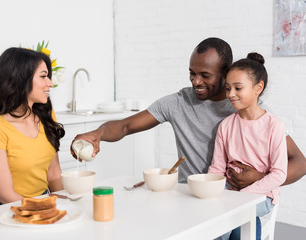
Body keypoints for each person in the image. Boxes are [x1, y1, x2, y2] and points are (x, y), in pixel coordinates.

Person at [71, 37, 306, 188]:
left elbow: (300, 163)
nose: (196, 81)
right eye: (192, 73)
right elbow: (125, 126)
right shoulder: (177, 102)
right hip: (188, 197)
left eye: (205, 75)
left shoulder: (250, 111)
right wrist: (98, 133)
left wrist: (260, 179)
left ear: (226, 73)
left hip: (236, 196)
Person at [208, 52, 287, 240]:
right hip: (229, 190)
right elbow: (217, 168)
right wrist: (210, 191)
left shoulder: (274, 126)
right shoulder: (226, 125)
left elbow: (279, 174)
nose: (230, 94)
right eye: (228, 88)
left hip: (262, 194)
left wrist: (242, 195)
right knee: (218, 219)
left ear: (258, 88)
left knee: (226, 220)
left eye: (238, 88)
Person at [0, 47, 65, 207]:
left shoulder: (46, 116)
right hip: (8, 209)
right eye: (43, 77)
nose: (50, 83)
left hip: (44, 202)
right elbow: (6, 195)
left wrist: (65, 204)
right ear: (21, 79)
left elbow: (53, 175)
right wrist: (44, 210)